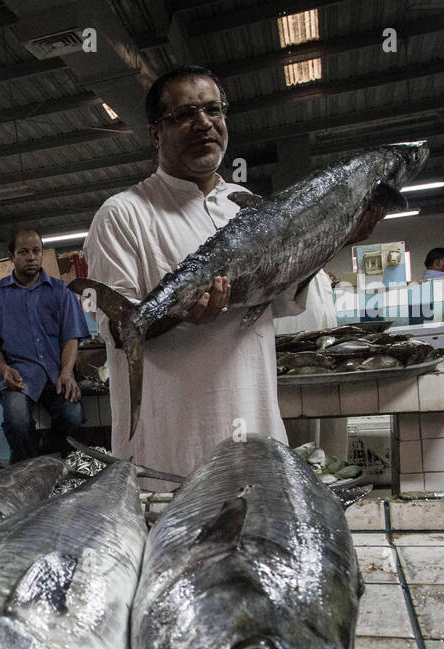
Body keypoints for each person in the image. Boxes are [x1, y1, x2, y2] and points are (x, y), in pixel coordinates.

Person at [83, 65, 381, 488]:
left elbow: (281, 296)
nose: (203, 123)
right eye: (184, 114)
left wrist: (335, 240)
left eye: (213, 110)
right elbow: (115, 329)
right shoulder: (123, 213)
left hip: (258, 438)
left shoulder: (251, 207)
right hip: (170, 452)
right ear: (155, 134)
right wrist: (180, 314)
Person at [0, 227, 90, 462]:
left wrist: (67, 373)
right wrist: (4, 369)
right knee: (17, 421)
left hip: (56, 374)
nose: (31, 257)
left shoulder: (61, 292)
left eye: (36, 251)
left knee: (73, 416)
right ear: (11, 256)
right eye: (23, 252)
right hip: (18, 376)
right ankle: (26, 470)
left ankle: (45, 456)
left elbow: (71, 338)